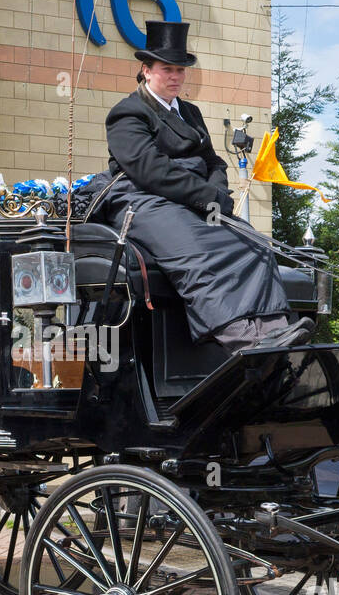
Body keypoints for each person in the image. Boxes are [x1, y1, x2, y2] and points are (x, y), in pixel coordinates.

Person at [86, 20, 313, 354]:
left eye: (181, 70)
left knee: (254, 244)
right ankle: (240, 337)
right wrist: (206, 195)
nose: (176, 76)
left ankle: (274, 330)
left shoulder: (189, 112)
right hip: (144, 201)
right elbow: (150, 170)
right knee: (201, 250)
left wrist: (218, 194)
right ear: (146, 71)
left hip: (193, 199)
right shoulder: (128, 112)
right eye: (167, 69)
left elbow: (214, 162)